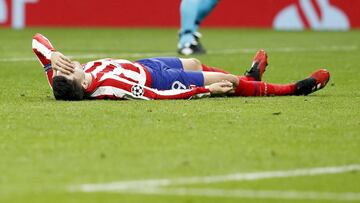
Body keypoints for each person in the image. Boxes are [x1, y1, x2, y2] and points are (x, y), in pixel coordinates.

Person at [32, 33, 330, 101]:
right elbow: (158, 97)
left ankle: (250, 76)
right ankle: (294, 89)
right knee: (229, 83)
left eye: (60, 67)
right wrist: (205, 90)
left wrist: (52, 54)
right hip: (161, 79)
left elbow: (37, 41)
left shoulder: (61, 82)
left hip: (144, 64)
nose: (64, 65)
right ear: (83, 85)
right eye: (66, 69)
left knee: (196, 60)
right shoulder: (114, 88)